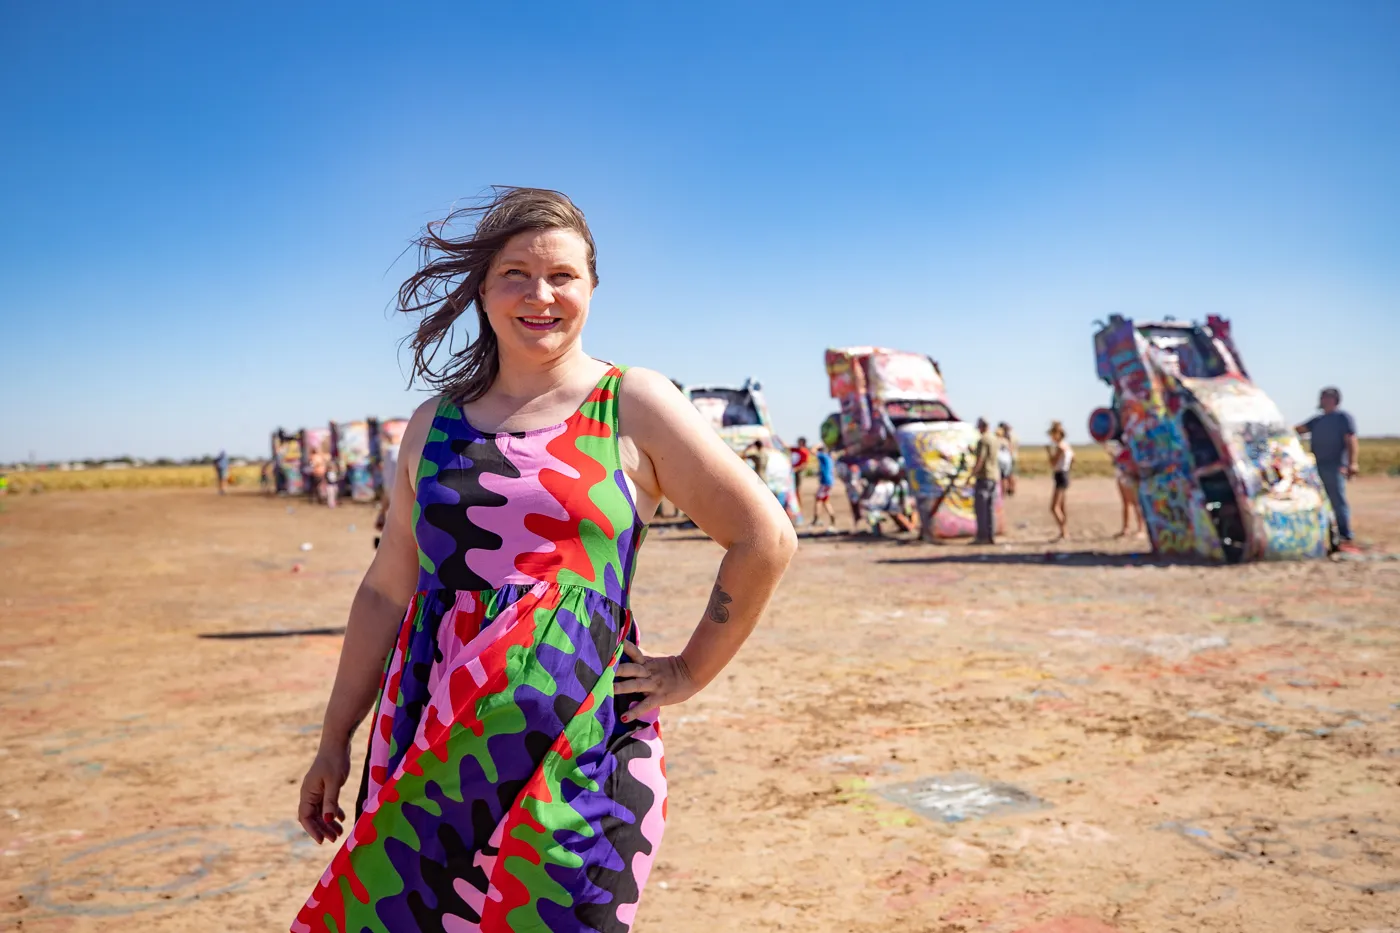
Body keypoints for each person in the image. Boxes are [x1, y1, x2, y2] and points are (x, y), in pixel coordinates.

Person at [291, 187, 796, 932]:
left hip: (580, 753)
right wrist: (335, 738)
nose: (541, 294)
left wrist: (688, 670)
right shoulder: (434, 425)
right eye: (515, 274)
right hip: (435, 752)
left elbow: (764, 537)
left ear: (592, 286)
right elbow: (385, 591)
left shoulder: (633, 403)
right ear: (483, 291)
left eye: (562, 275)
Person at [1296, 386, 1360, 550]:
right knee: (1316, 502)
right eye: (1323, 397)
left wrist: (1352, 463)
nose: (1325, 401)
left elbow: (1351, 440)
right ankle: (1324, 535)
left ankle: (1345, 535)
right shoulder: (1317, 420)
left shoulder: (1343, 418)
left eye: (1328, 398)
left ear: (1336, 400)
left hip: (1335, 465)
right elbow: (1298, 430)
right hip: (1315, 467)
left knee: (1337, 501)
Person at [970, 417, 1001, 544]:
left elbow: (981, 460)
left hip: (984, 477)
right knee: (990, 508)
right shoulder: (994, 438)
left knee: (981, 508)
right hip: (994, 476)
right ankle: (990, 535)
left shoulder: (983, 440)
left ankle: (982, 537)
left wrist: (972, 474)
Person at [1107, 439, 1144, 537]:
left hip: (1131, 476)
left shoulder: (1132, 444)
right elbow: (1117, 461)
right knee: (1125, 503)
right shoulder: (1118, 446)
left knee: (1136, 503)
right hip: (1121, 475)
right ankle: (1126, 528)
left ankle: (1140, 529)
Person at [1047, 420, 1073, 541]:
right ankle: (1064, 532)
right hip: (1065, 473)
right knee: (1062, 506)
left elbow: (1053, 462)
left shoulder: (1060, 447)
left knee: (1054, 507)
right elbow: (1073, 459)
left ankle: (1064, 531)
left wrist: (1048, 453)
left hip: (1060, 475)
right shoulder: (1067, 446)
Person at [813, 443, 839, 528]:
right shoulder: (829, 457)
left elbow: (812, 451)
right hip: (829, 482)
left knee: (818, 499)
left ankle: (816, 519)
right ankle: (832, 516)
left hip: (825, 482)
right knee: (825, 500)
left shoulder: (823, 456)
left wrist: (817, 445)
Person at [996, 422, 1017, 496]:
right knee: (1008, 475)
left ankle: (1003, 493)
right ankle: (1010, 490)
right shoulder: (1008, 438)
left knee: (1003, 478)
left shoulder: (999, 439)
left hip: (1002, 460)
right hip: (1008, 460)